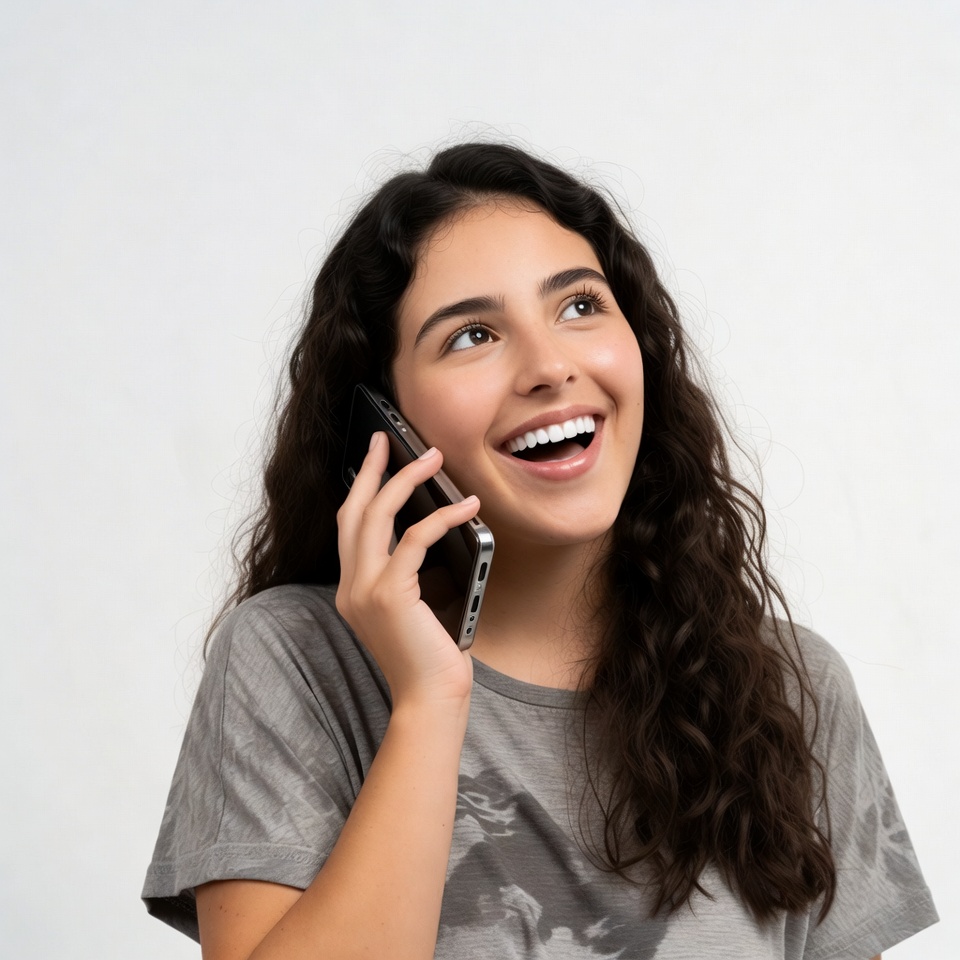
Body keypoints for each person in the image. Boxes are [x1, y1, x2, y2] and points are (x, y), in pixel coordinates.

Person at [143, 142, 937, 960]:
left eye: (580, 305)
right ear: (384, 420)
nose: (550, 366)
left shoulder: (792, 692)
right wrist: (428, 703)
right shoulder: (297, 661)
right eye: (472, 335)